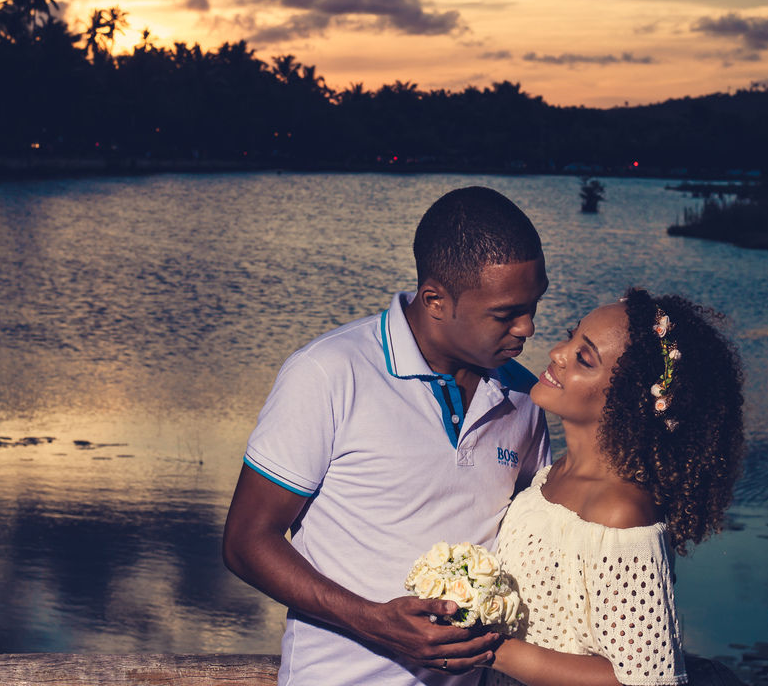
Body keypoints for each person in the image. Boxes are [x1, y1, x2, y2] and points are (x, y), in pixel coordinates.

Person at [222, 186, 553, 685]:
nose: (528, 328)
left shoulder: (527, 398)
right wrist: (373, 622)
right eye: (506, 313)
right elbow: (246, 542)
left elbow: (535, 545)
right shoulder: (329, 372)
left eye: (534, 305)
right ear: (436, 300)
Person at [483, 287, 747, 686]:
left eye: (583, 358)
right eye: (572, 336)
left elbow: (646, 680)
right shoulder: (553, 474)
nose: (558, 352)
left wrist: (492, 651)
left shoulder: (619, 513)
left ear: (629, 400)